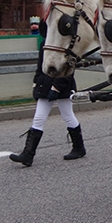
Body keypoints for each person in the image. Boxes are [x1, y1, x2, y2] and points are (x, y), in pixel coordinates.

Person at [10, 21, 85, 166]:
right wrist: (35, 83)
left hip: (62, 86)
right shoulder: (44, 43)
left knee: (68, 115)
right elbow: (40, 67)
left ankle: (79, 147)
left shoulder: (66, 45)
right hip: (45, 85)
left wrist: (56, 88)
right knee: (39, 118)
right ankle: (28, 154)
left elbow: (68, 71)